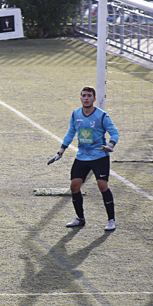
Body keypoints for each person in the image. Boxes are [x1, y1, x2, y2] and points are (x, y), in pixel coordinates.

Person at [48, 86, 120, 232]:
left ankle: (111, 220)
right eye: (84, 95)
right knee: (74, 186)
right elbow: (70, 133)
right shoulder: (75, 114)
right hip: (82, 156)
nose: (86, 98)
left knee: (102, 186)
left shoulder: (102, 116)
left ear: (94, 99)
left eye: (89, 96)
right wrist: (60, 151)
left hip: (99, 156)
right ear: (80, 98)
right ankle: (80, 218)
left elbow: (115, 133)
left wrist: (110, 145)